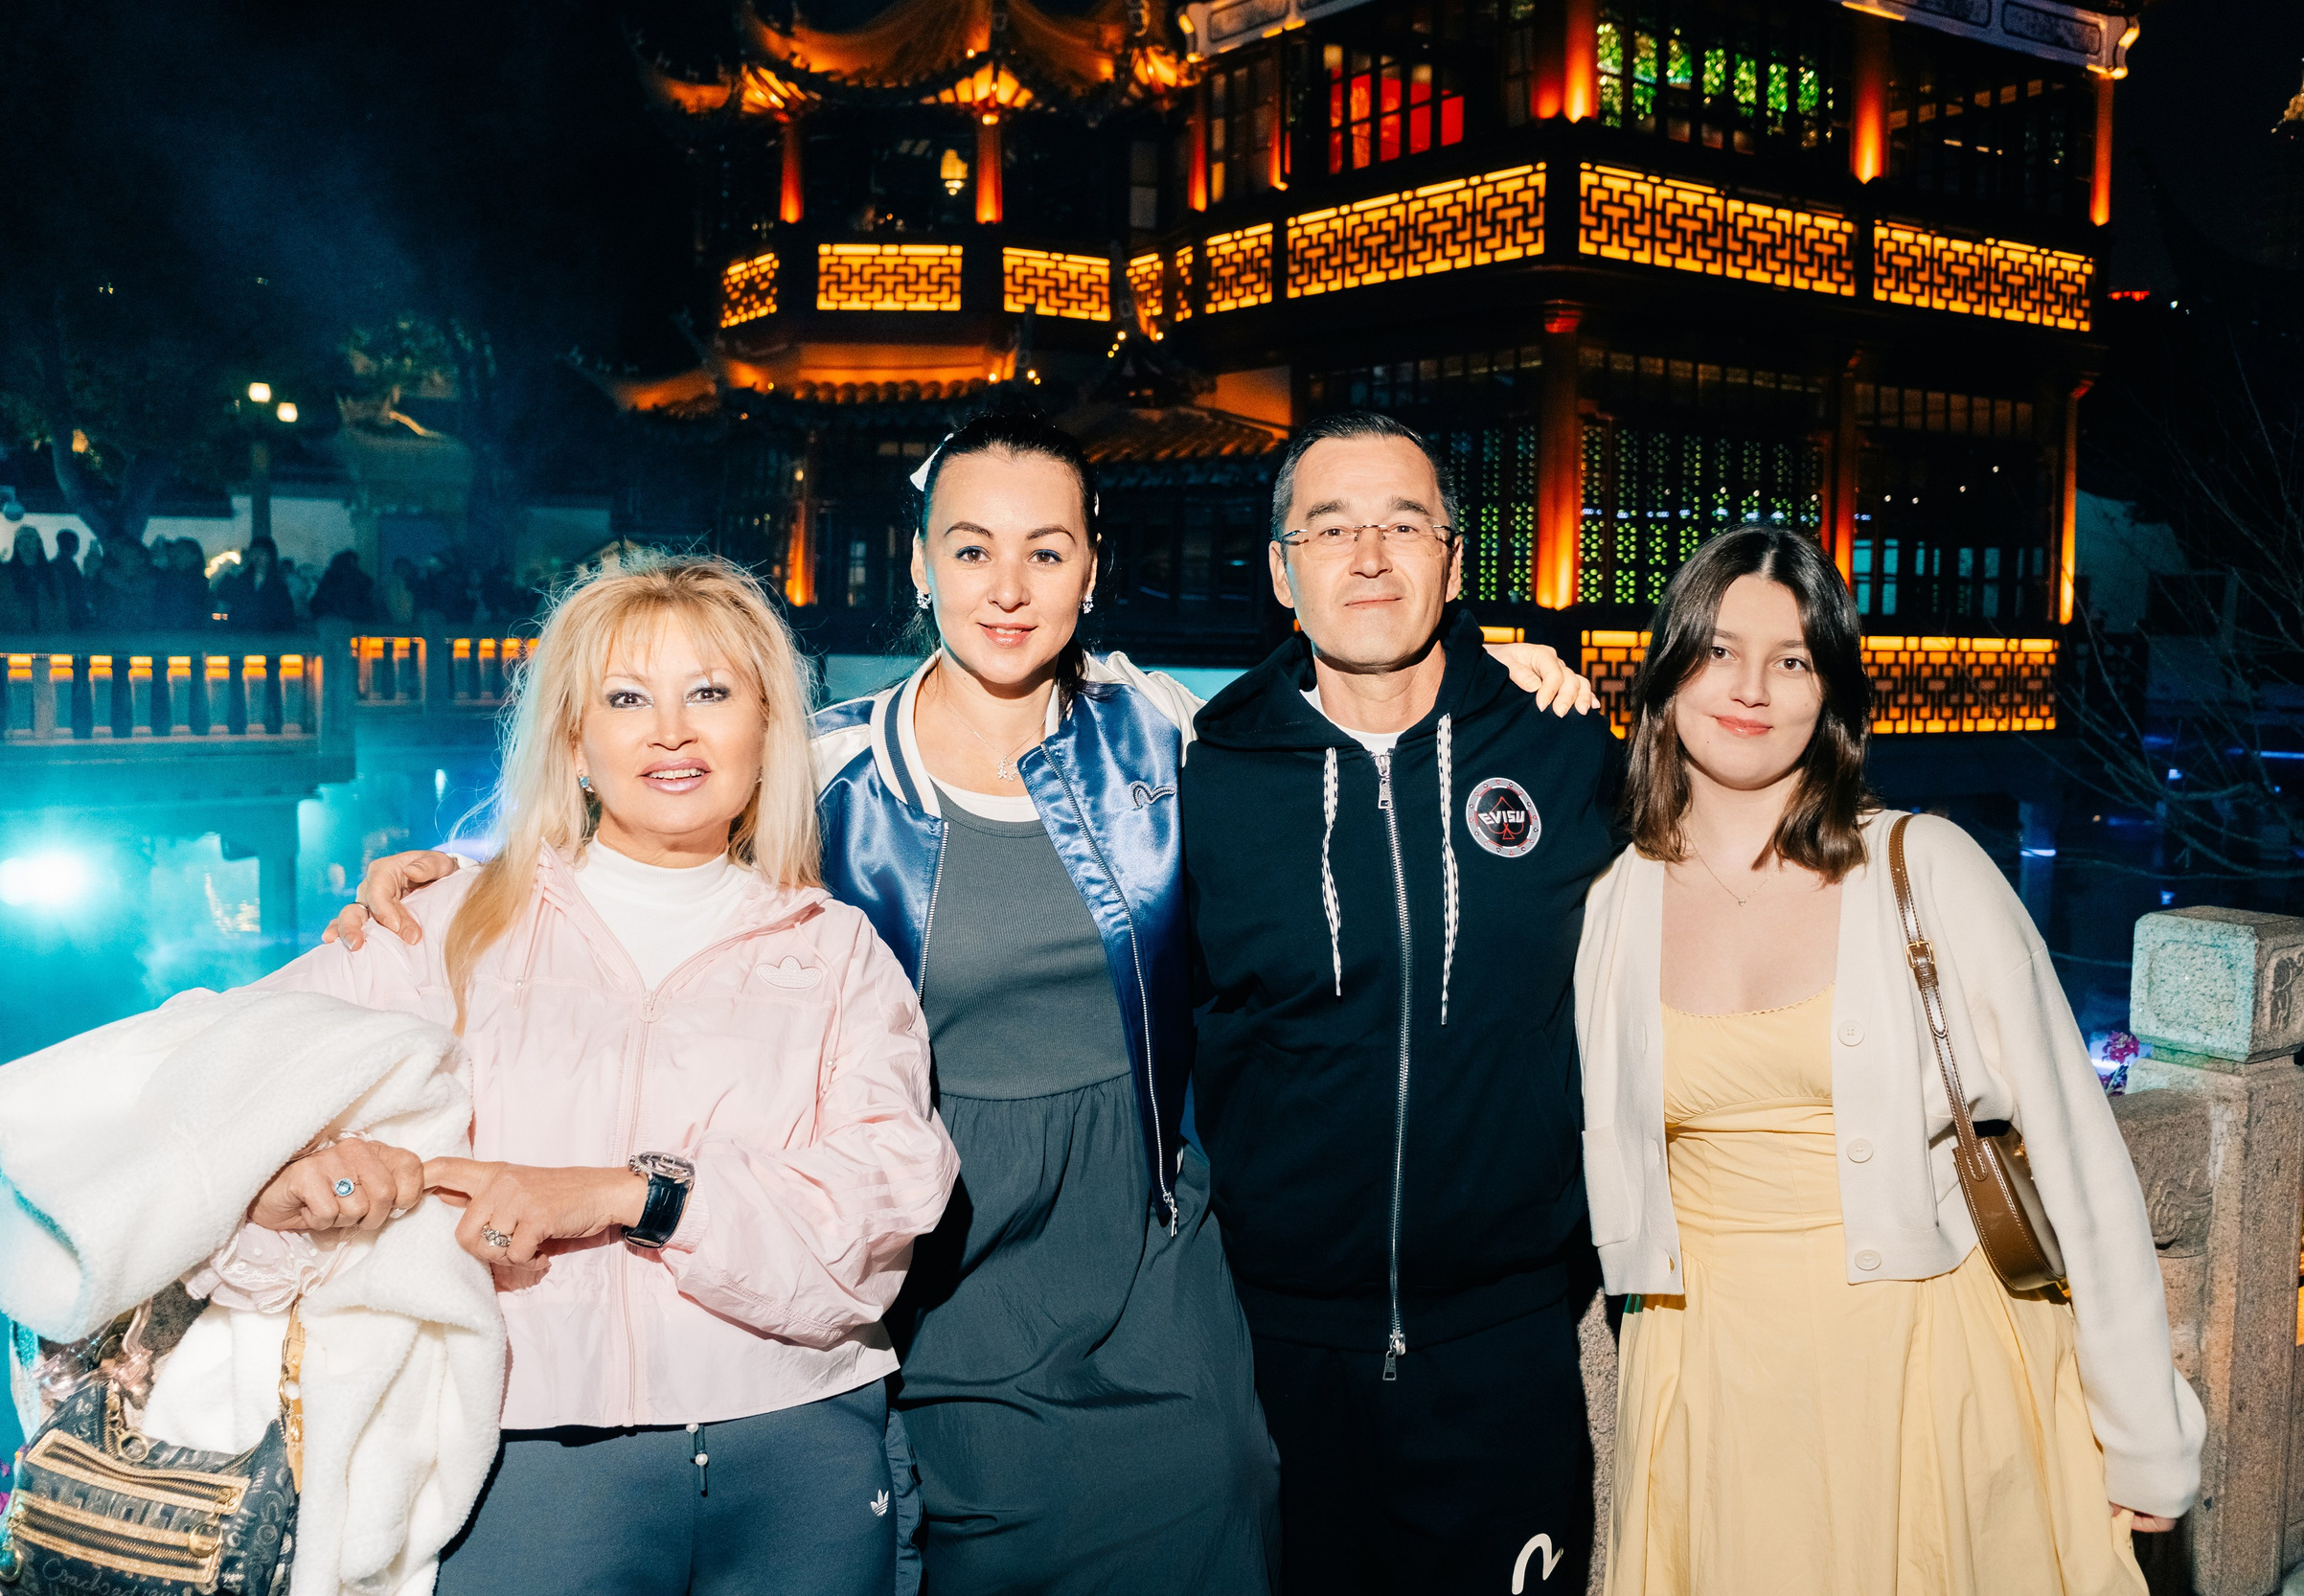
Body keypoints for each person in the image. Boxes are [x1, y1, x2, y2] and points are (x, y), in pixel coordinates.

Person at [332, 413, 1598, 1593]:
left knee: (1218, 1509)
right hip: (928, 1250)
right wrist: (452, 856)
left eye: (1046, 551)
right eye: (972, 549)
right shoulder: (828, 764)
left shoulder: (1162, 731)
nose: (1008, 587)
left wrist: (1507, 669)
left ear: (1092, 571)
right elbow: (634, 795)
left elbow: (1351, 710)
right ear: (922, 567)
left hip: (1141, 1243)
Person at [247, 552, 959, 1594]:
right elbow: (206, 1110)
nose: (671, 730)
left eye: (710, 693)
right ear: (576, 742)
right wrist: (283, 1188)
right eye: (627, 698)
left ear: (765, 729)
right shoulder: (436, 925)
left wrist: (634, 1194)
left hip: (799, 1450)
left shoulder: (837, 951)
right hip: (522, 1456)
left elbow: (880, 1212)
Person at [1573, 527, 2203, 1594]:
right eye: (1719, 650)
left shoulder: (1924, 868)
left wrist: (2146, 1434)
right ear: (1668, 669)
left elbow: (2079, 1155)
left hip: (1920, 1360)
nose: (1751, 689)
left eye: (1792, 661)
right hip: (1706, 1370)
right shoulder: (1608, 902)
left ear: (1830, 697)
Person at [1181, 410, 1624, 1594]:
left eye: (1402, 524)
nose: (1368, 556)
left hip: (1504, 1346)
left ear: (1454, 560)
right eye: (1330, 527)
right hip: (1269, 1350)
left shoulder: (1562, 747)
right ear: (1282, 568)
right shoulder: (1201, 770)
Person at [218, 536, 296, 629]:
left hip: (269, 633)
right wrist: (232, 575)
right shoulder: (242, 577)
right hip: (241, 631)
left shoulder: (279, 582)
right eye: (254, 552)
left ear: (270, 556)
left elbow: (285, 613)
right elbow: (223, 594)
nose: (257, 557)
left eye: (262, 553)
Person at [310, 547, 379, 623]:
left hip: (333, 618)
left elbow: (317, 603)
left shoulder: (331, 576)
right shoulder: (357, 576)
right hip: (356, 618)